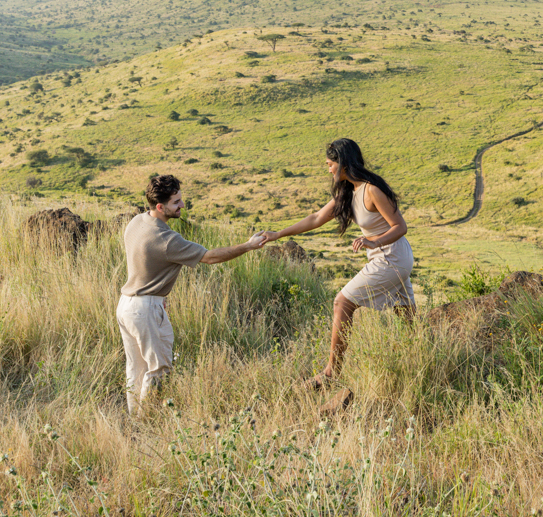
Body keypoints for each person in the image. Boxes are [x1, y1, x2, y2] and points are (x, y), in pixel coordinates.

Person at [262, 138, 415, 390]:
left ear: (343, 163)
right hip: (388, 257)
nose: (328, 169)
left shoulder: (371, 189)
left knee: (342, 302)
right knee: (408, 319)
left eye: (330, 164)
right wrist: (278, 234)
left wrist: (373, 242)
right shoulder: (348, 193)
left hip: (392, 256)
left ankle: (331, 373)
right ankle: (418, 363)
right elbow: (315, 218)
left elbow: (400, 227)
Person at [118, 174, 266, 414]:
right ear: (160, 206)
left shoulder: (136, 221)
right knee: (159, 368)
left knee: (136, 368)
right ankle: (146, 420)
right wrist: (248, 246)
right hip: (145, 309)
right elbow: (210, 257)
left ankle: (134, 419)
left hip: (126, 304)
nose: (182, 205)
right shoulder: (167, 239)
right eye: (176, 202)